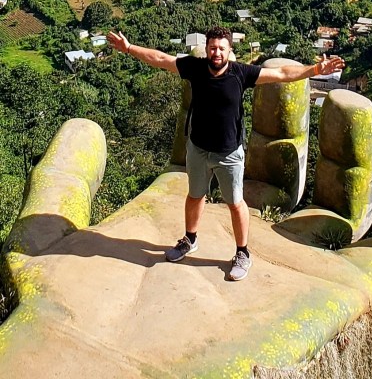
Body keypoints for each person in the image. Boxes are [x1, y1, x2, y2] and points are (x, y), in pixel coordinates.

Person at [107, 25, 345, 281]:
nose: (216, 53)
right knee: (195, 196)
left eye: (221, 48)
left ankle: (242, 253)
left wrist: (315, 70)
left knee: (235, 203)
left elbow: (282, 73)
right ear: (207, 49)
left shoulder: (240, 73)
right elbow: (161, 59)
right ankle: (190, 239)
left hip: (228, 154)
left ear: (229, 50)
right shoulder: (195, 68)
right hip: (198, 149)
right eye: (212, 48)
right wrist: (128, 48)